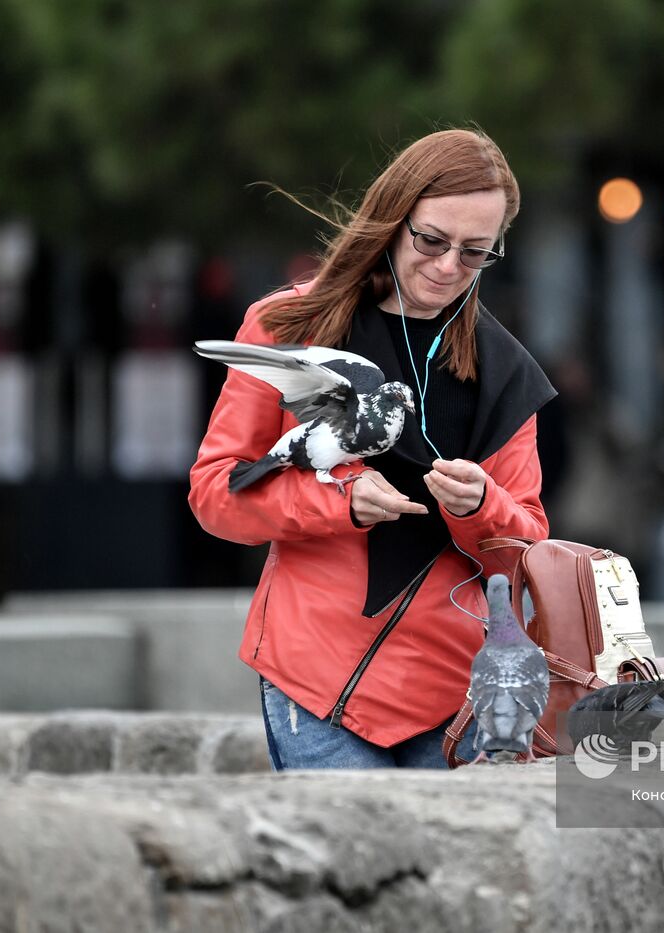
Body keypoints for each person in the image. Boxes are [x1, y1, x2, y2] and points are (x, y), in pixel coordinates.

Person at [189, 129, 555, 769]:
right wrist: (339, 501)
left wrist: (482, 506)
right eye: (432, 241)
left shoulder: (503, 369)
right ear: (393, 218)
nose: (447, 269)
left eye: (474, 254)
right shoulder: (287, 326)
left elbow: (527, 549)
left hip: (460, 697)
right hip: (315, 682)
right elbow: (217, 493)